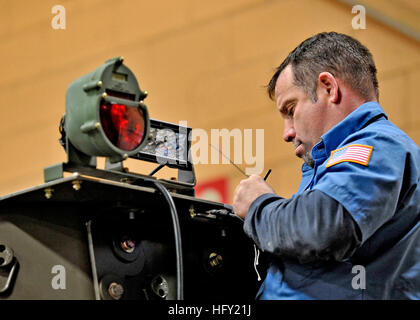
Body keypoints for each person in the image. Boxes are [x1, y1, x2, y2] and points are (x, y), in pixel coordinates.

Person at [232, 32, 420, 299]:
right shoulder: (335, 161)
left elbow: (322, 227)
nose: (287, 133)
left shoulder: (379, 146)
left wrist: (258, 205)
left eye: (290, 110)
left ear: (329, 88)